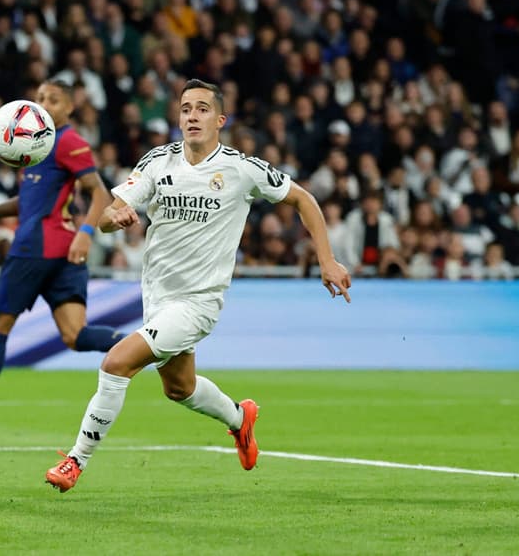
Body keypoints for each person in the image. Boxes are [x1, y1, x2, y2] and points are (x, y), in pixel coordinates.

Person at [45, 80, 352, 493]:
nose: (192, 115)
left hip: (199, 302)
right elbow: (108, 213)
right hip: (158, 297)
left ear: (220, 120)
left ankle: (75, 461)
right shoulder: (158, 162)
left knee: (117, 364)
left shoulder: (242, 169)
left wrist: (326, 259)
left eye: (202, 109)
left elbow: (303, 200)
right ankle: (241, 420)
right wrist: (112, 219)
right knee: (179, 388)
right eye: (186, 108)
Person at [0, 79, 121, 442]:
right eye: (39, 98)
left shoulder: (67, 140)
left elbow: (100, 192)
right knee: (76, 335)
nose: (43, 104)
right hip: (62, 252)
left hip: (34, 250)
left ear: (70, 108)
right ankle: (150, 346)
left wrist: (87, 232)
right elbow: (27, 203)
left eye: (53, 100)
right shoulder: (36, 147)